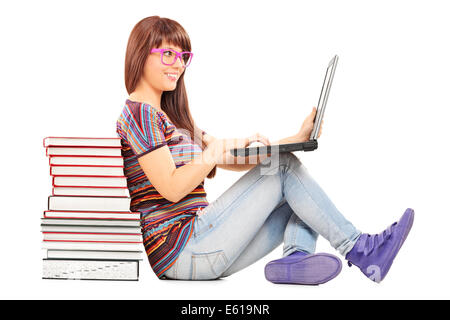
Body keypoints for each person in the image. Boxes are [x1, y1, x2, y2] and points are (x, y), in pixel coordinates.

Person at [116, 16, 414, 284]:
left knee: (298, 193)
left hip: (202, 246)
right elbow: (170, 187)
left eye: (183, 56)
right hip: (181, 250)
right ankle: (361, 249)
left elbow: (229, 159)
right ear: (141, 53)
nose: (179, 65)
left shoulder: (173, 118)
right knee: (284, 169)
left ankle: (295, 259)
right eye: (168, 54)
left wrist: (294, 138)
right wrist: (212, 153)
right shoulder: (139, 114)